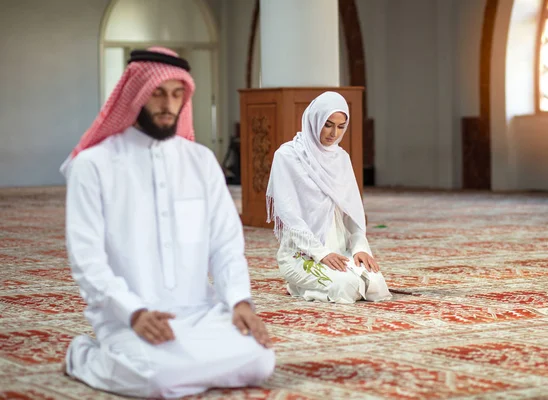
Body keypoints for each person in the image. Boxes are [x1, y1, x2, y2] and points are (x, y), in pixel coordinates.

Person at [60, 47, 275, 399]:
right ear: (136, 96)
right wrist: (133, 312)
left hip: (199, 314)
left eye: (177, 95)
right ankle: (84, 355)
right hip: (129, 317)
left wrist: (239, 301)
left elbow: (225, 244)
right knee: (156, 380)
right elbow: (87, 260)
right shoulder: (94, 166)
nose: (167, 105)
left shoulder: (201, 161)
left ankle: (182, 364)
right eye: (157, 93)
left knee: (260, 361)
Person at [266, 91, 392, 304]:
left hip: (340, 251)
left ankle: (320, 283)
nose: (334, 133)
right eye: (328, 124)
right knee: (347, 287)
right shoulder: (287, 156)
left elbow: (352, 212)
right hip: (302, 255)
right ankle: (298, 286)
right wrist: (322, 253)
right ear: (314, 120)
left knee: (376, 285)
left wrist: (360, 248)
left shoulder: (341, 158)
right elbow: (289, 215)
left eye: (341, 127)